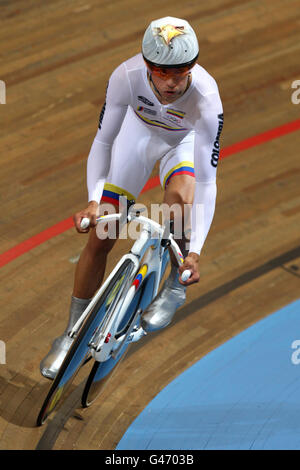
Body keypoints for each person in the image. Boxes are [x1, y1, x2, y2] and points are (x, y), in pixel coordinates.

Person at [40, 16, 224, 379]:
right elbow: (104, 142)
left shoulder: (207, 98)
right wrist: (94, 199)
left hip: (181, 144)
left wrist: (196, 252)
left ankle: (175, 284)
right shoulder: (125, 76)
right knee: (101, 233)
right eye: (161, 72)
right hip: (136, 138)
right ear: (146, 66)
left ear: (194, 66)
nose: (172, 83)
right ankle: (71, 334)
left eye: (182, 72)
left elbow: (207, 181)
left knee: (179, 206)